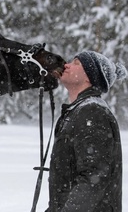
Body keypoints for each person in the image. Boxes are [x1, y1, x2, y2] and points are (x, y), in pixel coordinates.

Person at [46, 50, 127, 212]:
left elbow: (94, 177)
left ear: (90, 76)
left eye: (76, 63)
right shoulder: (79, 111)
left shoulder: (92, 112)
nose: (66, 65)